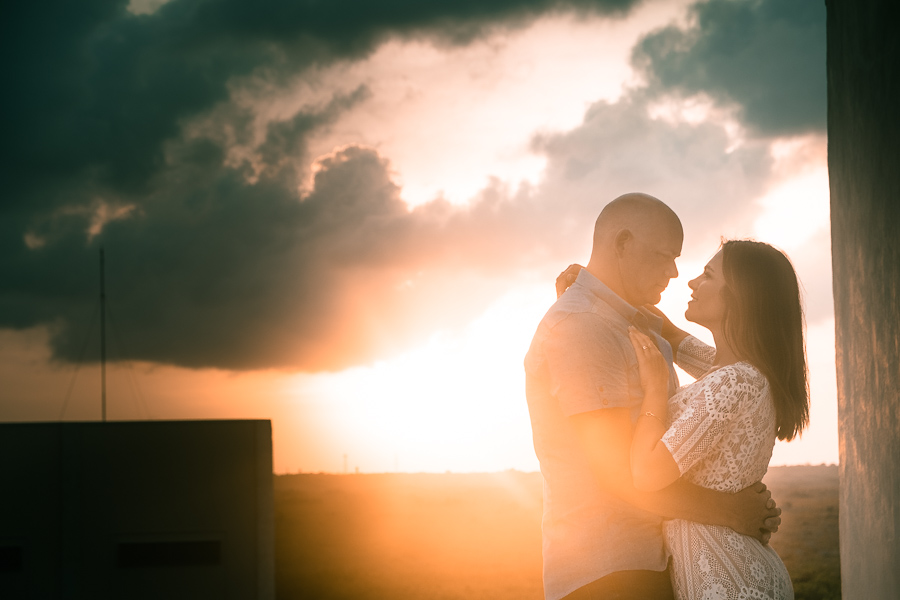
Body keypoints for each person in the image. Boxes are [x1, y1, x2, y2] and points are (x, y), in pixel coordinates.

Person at [524, 193, 781, 600]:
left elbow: (715, 364)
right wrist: (730, 511)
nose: (677, 273)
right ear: (623, 243)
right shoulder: (584, 325)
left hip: (649, 563)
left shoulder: (636, 325)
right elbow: (616, 474)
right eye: (664, 256)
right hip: (607, 570)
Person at [627, 240, 807, 599]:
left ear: (740, 297)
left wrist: (653, 389)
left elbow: (646, 474)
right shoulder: (736, 371)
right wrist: (598, 285)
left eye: (707, 275)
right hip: (736, 573)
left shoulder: (735, 381)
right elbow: (672, 335)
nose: (692, 282)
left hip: (729, 584)